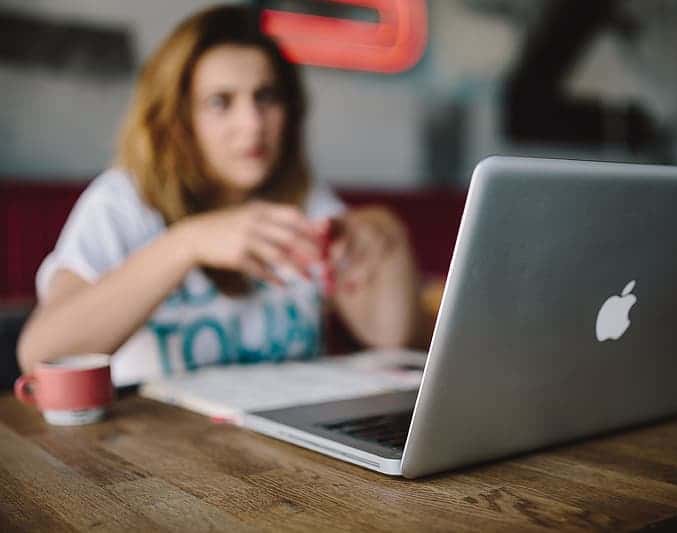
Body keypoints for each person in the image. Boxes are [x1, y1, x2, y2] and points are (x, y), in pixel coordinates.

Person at [16, 5, 425, 386]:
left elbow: (390, 338)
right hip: (159, 452)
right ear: (178, 120)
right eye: (220, 102)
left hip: (292, 443)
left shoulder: (305, 199)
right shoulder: (124, 201)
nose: (251, 124)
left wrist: (387, 237)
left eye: (265, 97)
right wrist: (187, 243)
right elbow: (41, 355)